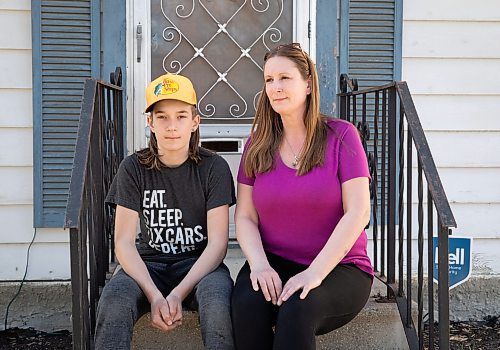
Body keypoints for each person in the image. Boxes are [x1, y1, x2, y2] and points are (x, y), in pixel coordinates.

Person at [231, 43, 374, 350]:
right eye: (269, 80)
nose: (275, 87)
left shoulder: (341, 136)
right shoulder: (257, 143)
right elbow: (244, 216)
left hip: (340, 267)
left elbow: (359, 212)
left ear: (308, 84)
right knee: (247, 303)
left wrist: (315, 273)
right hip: (274, 261)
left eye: (285, 78)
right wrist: (258, 264)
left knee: (298, 307)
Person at [95, 73, 236, 350]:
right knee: (114, 301)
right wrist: (155, 295)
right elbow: (123, 242)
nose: (172, 126)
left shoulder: (214, 168)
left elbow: (218, 245)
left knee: (218, 303)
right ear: (150, 122)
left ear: (195, 122)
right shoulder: (132, 168)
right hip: (149, 265)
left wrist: (178, 294)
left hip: (199, 265)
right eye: (162, 117)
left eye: (182, 116)